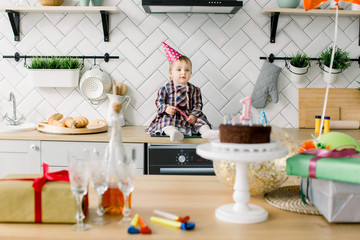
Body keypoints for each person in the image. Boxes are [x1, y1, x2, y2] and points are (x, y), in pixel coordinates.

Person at [145, 42, 219, 142]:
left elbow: (198, 105)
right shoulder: (165, 88)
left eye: (187, 70)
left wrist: (193, 115)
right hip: (172, 115)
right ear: (171, 73)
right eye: (179, 69)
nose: (183, 72)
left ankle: (206, 132)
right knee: (166, 121)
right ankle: (174, 133)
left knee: (201, 120)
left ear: (191, 74)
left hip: (189, 116)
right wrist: (166, 108)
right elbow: (159, 102)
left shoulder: (194, 89)